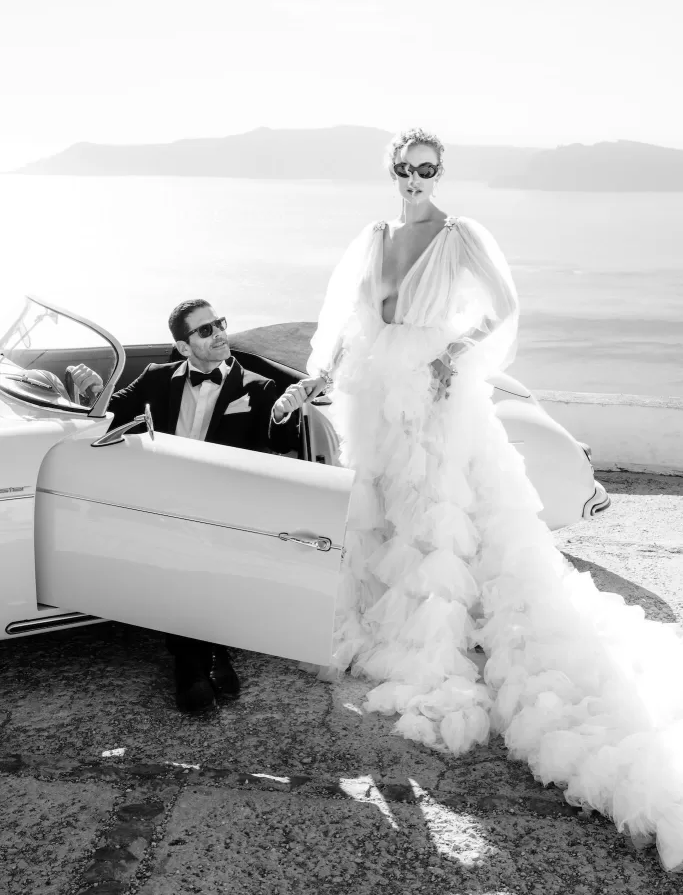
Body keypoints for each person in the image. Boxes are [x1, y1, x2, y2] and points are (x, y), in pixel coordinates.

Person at [303, 127, 683, 872]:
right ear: (390, 170)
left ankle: (440, 634)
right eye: (405, 168)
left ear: (439, 172)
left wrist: (452, 349)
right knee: (383, 508)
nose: (414, 178)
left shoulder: (459, 234)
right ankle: (389, 619)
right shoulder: (375, 235)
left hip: (438, 395)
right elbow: (352, 319)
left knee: (439, 516)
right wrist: (325, 372)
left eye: (426, 169)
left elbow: (503, 306)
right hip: (379, 395)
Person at [70, 298, 314, 713]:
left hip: (225, 505)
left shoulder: (257, 388)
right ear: (184, 347)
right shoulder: (155, 377)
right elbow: (111, 414)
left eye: (219, 323)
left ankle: (190, 665)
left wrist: (284, 411)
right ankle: (209, 655)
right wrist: (94, 388)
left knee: (196, 551)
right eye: (205, 330)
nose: (219, 333)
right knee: (176, 546)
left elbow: (279, 441)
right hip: (164, 497)